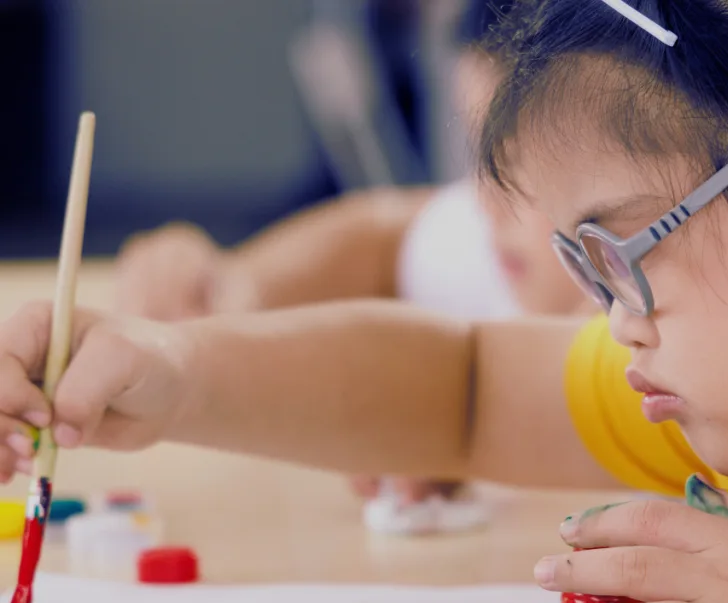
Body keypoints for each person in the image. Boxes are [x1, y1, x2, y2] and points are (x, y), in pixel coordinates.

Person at [0, 0, 728, 603]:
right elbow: (467, 386)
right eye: (588, 273)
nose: (617, 320)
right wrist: (170, 370)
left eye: (631, 251)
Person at [111, 0, 585, 533]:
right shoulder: (519, 237)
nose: (485, 202)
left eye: (517, 163)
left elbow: (474, 402)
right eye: (479, 155)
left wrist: (469, 433)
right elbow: (382, 236)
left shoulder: (670, 349)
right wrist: (235, 291)